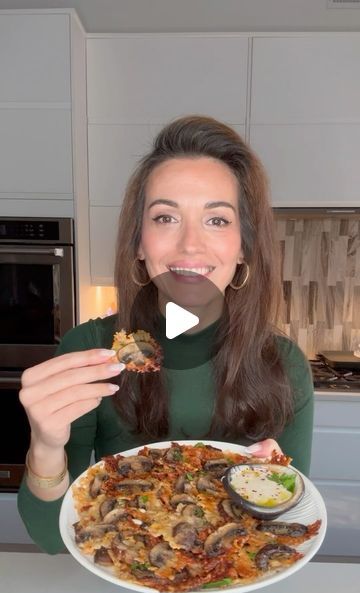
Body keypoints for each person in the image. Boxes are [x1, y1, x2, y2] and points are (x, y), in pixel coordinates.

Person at [18, 115, 314, 554]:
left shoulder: (285, 364)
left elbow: (292, 529)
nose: (190, 245)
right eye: (165, 217)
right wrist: (44, 445)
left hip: (236, 592)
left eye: (217, 220)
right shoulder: (90, 349)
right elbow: (53, 539)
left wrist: (272, 487)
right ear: (139, 242)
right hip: (119, 583)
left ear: (244, 245)